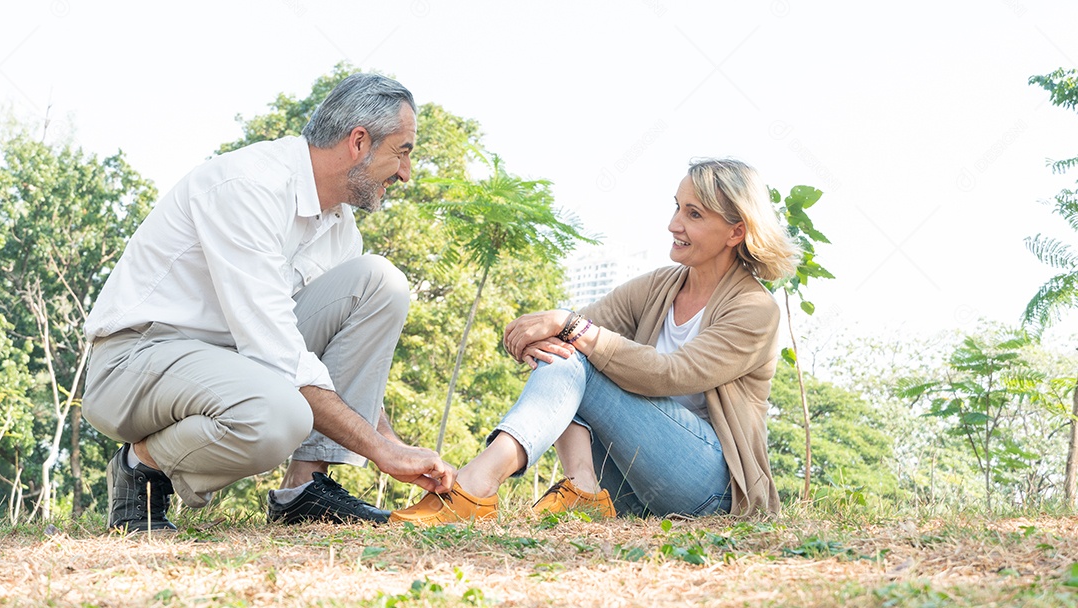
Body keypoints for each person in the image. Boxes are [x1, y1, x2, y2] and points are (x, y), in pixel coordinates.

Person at [83, 73, 455, 533]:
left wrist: (393, 443)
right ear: (359, 142)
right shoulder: (249, 187)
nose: (406, 173)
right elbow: (279, 356)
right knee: (279, 414)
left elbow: (334, 366)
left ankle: (304, 490)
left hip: (234, 361)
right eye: (403, 152)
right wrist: (382, 452)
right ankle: (141, 468)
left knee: (381, 282)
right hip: (136, 361)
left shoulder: (340, 228)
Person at [389, 158, 799, 525]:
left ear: (736, 231)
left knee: (580, 349)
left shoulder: (754, 310)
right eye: (677, 206)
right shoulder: (661, 285)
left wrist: (568, 328)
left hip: (709, 489)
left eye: (693, 214)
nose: (675, 223)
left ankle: (475, 485)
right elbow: (575, 332)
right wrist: (546, 336)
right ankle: (583, 487)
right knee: (571, 353)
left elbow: (673, 374)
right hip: (631, 489)